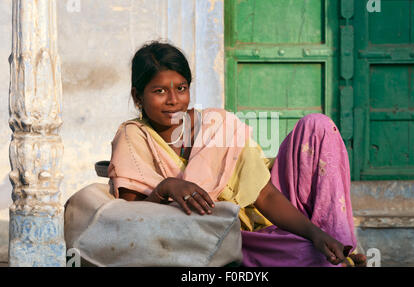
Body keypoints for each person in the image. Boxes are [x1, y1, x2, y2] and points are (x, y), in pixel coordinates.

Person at [108, 41, 366, 267]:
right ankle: (323, 250)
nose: (173, 100)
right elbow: (131, 219)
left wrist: (315, 234)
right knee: (306, 255)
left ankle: (336, 240)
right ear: (138, 96)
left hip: (274, 210)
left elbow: (264, 193)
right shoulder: (133, 137)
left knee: (318, 126)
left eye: (182, 88)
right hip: (224, 234)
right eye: (160, 91)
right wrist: (165, 188)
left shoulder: (216, 124)